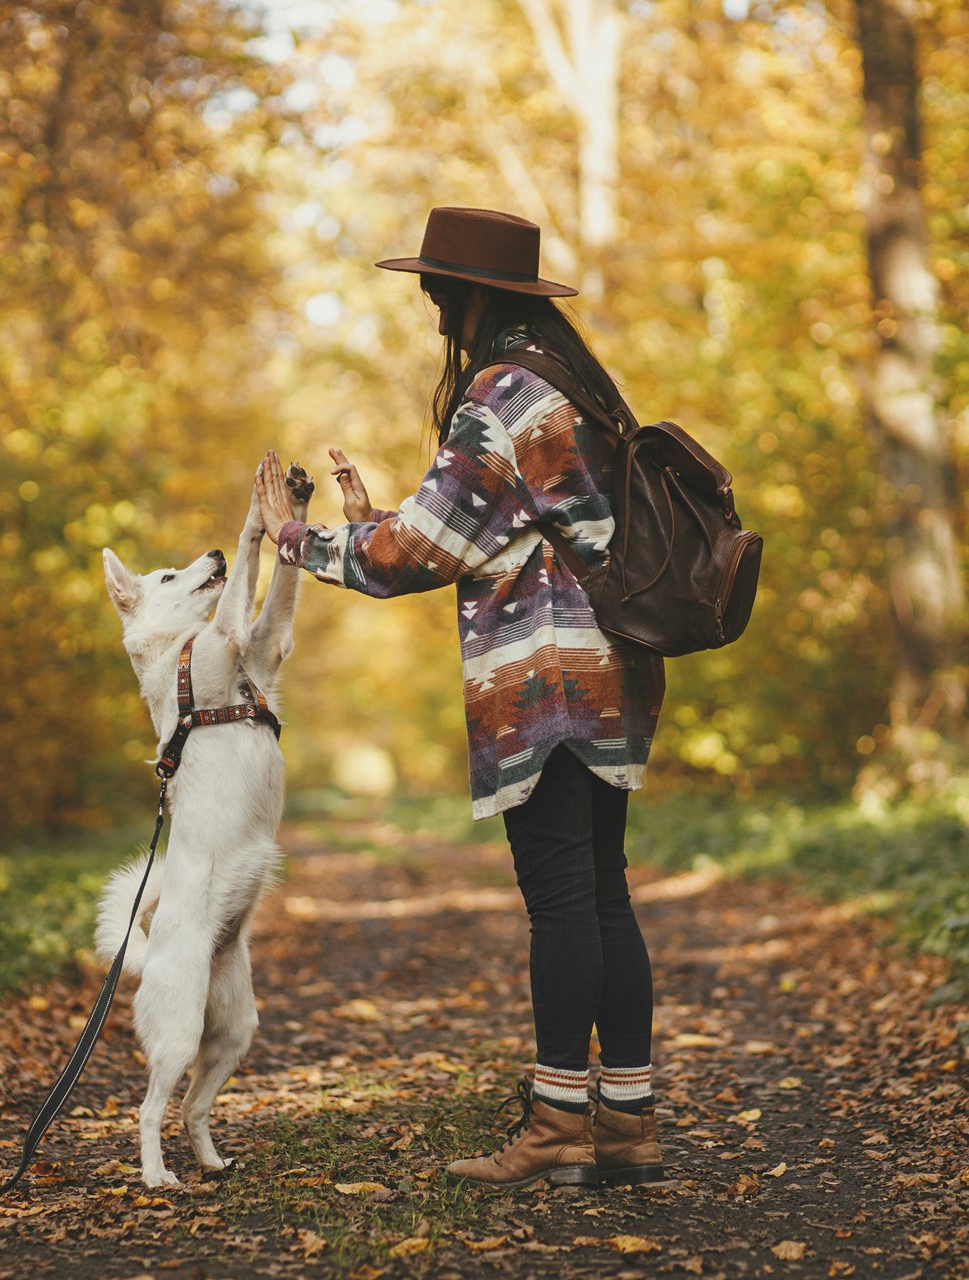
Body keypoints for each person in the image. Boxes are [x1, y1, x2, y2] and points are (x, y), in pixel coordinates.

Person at [252, 206, 667, 1190]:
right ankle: (627, 1123)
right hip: (610, 667)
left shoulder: (503, 391)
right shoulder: (572, 383)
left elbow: (426, 550)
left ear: (472, 295)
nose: (435, 310)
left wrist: (295, 538)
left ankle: (558, 1123)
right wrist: (378, 521)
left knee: (560, 900)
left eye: (440, 291)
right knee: (602, 890)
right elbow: (487, 529)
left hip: (545, 674)